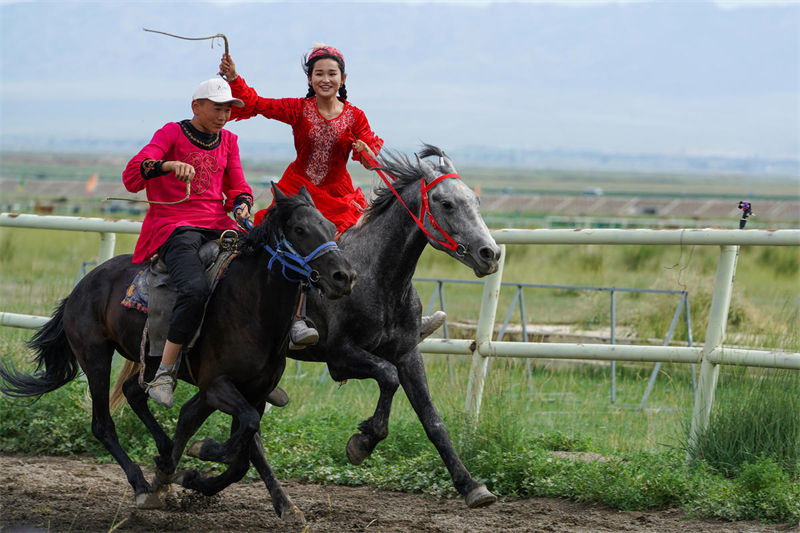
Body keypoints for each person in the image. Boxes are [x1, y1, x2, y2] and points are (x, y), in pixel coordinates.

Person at [218, 44, 445, 348]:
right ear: (310, 79)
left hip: (339, 197)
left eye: (332, 73)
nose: (325, 78)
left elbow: (369, 156)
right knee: (293, 250)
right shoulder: (297, 109)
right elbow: (257, 103)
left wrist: (367, 153)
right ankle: (295, 320)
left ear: (343, 77)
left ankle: (404, 318)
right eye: (319, 73)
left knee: (377, 247)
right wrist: (234, 78)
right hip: (300, 194)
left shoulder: (355, 117)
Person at [122, 78, 254, 408]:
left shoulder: (230, 141)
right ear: (196, 107)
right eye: (217, 108)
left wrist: (242, 204)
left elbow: (238, 185)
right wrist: (167, 165)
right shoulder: (170, 133)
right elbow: (133, 174)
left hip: (219, 226)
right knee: (194, 290)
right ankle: (164, 371)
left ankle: (256, 366)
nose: (224, 115)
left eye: (227, 109)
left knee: (264, 268)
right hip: (174, 227)